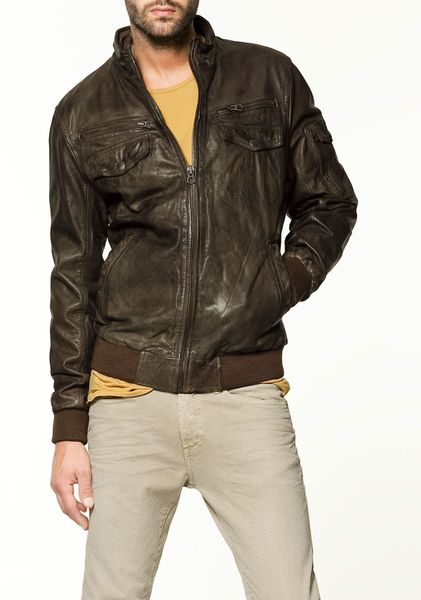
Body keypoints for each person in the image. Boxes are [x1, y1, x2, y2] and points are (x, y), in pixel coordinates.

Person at [48, 1, 358, 598]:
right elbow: (73, 272)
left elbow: (330, 201)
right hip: (128, 398)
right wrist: (68, 428)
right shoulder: (81, 111)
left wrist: (282, 282)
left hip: (244, 391)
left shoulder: (269, 78)